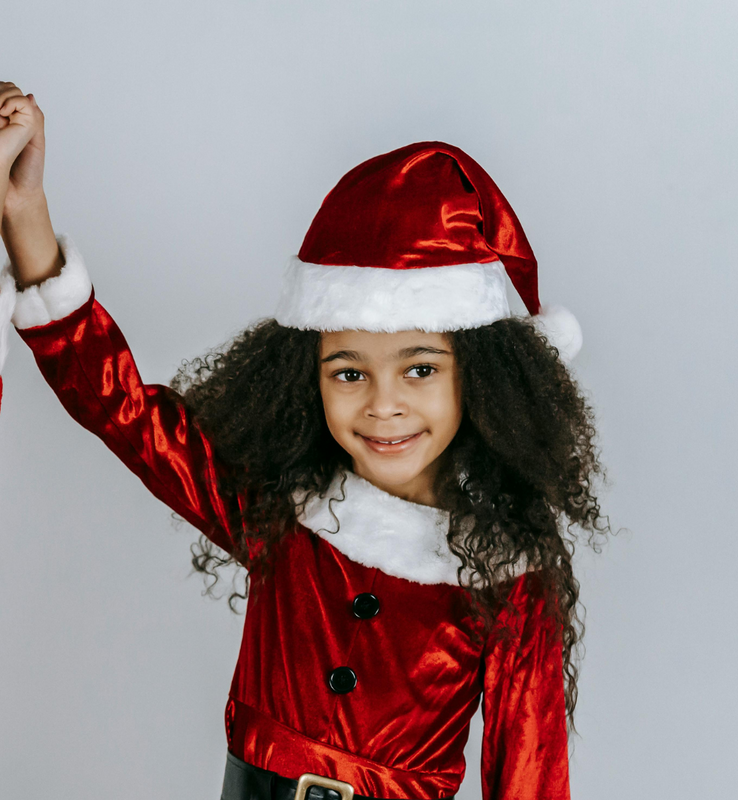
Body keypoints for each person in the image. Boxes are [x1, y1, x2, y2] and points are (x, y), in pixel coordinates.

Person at [1, 79, 611, 800]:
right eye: (348, 372)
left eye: (420, 368)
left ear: (482, 376)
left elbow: (530, 783)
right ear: (308, 379)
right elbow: (121, 409)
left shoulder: (510, 579)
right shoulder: (280, 513)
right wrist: (23, 208)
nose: (384, 406)